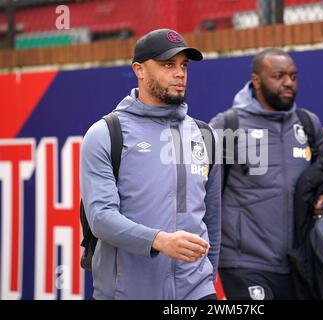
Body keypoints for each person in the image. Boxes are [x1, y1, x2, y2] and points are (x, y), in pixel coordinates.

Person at [80, 28, 221, 300]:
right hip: (126, 292)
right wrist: (159, 241)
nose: (179, 73)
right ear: (139, 70)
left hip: (196, 291)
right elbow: (101, 218)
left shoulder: (205, 136)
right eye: (168, 64)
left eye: (183, 65)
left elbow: (212, 218)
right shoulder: (105, 134)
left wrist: (208, 280)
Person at [209, 48, 323, 300]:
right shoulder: (228, 125)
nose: (289, 83)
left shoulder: (308, 124)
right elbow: (200, 189)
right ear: (256, 81)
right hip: (245, 262)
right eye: (279, 76)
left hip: (300, 261)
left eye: (293, 76)